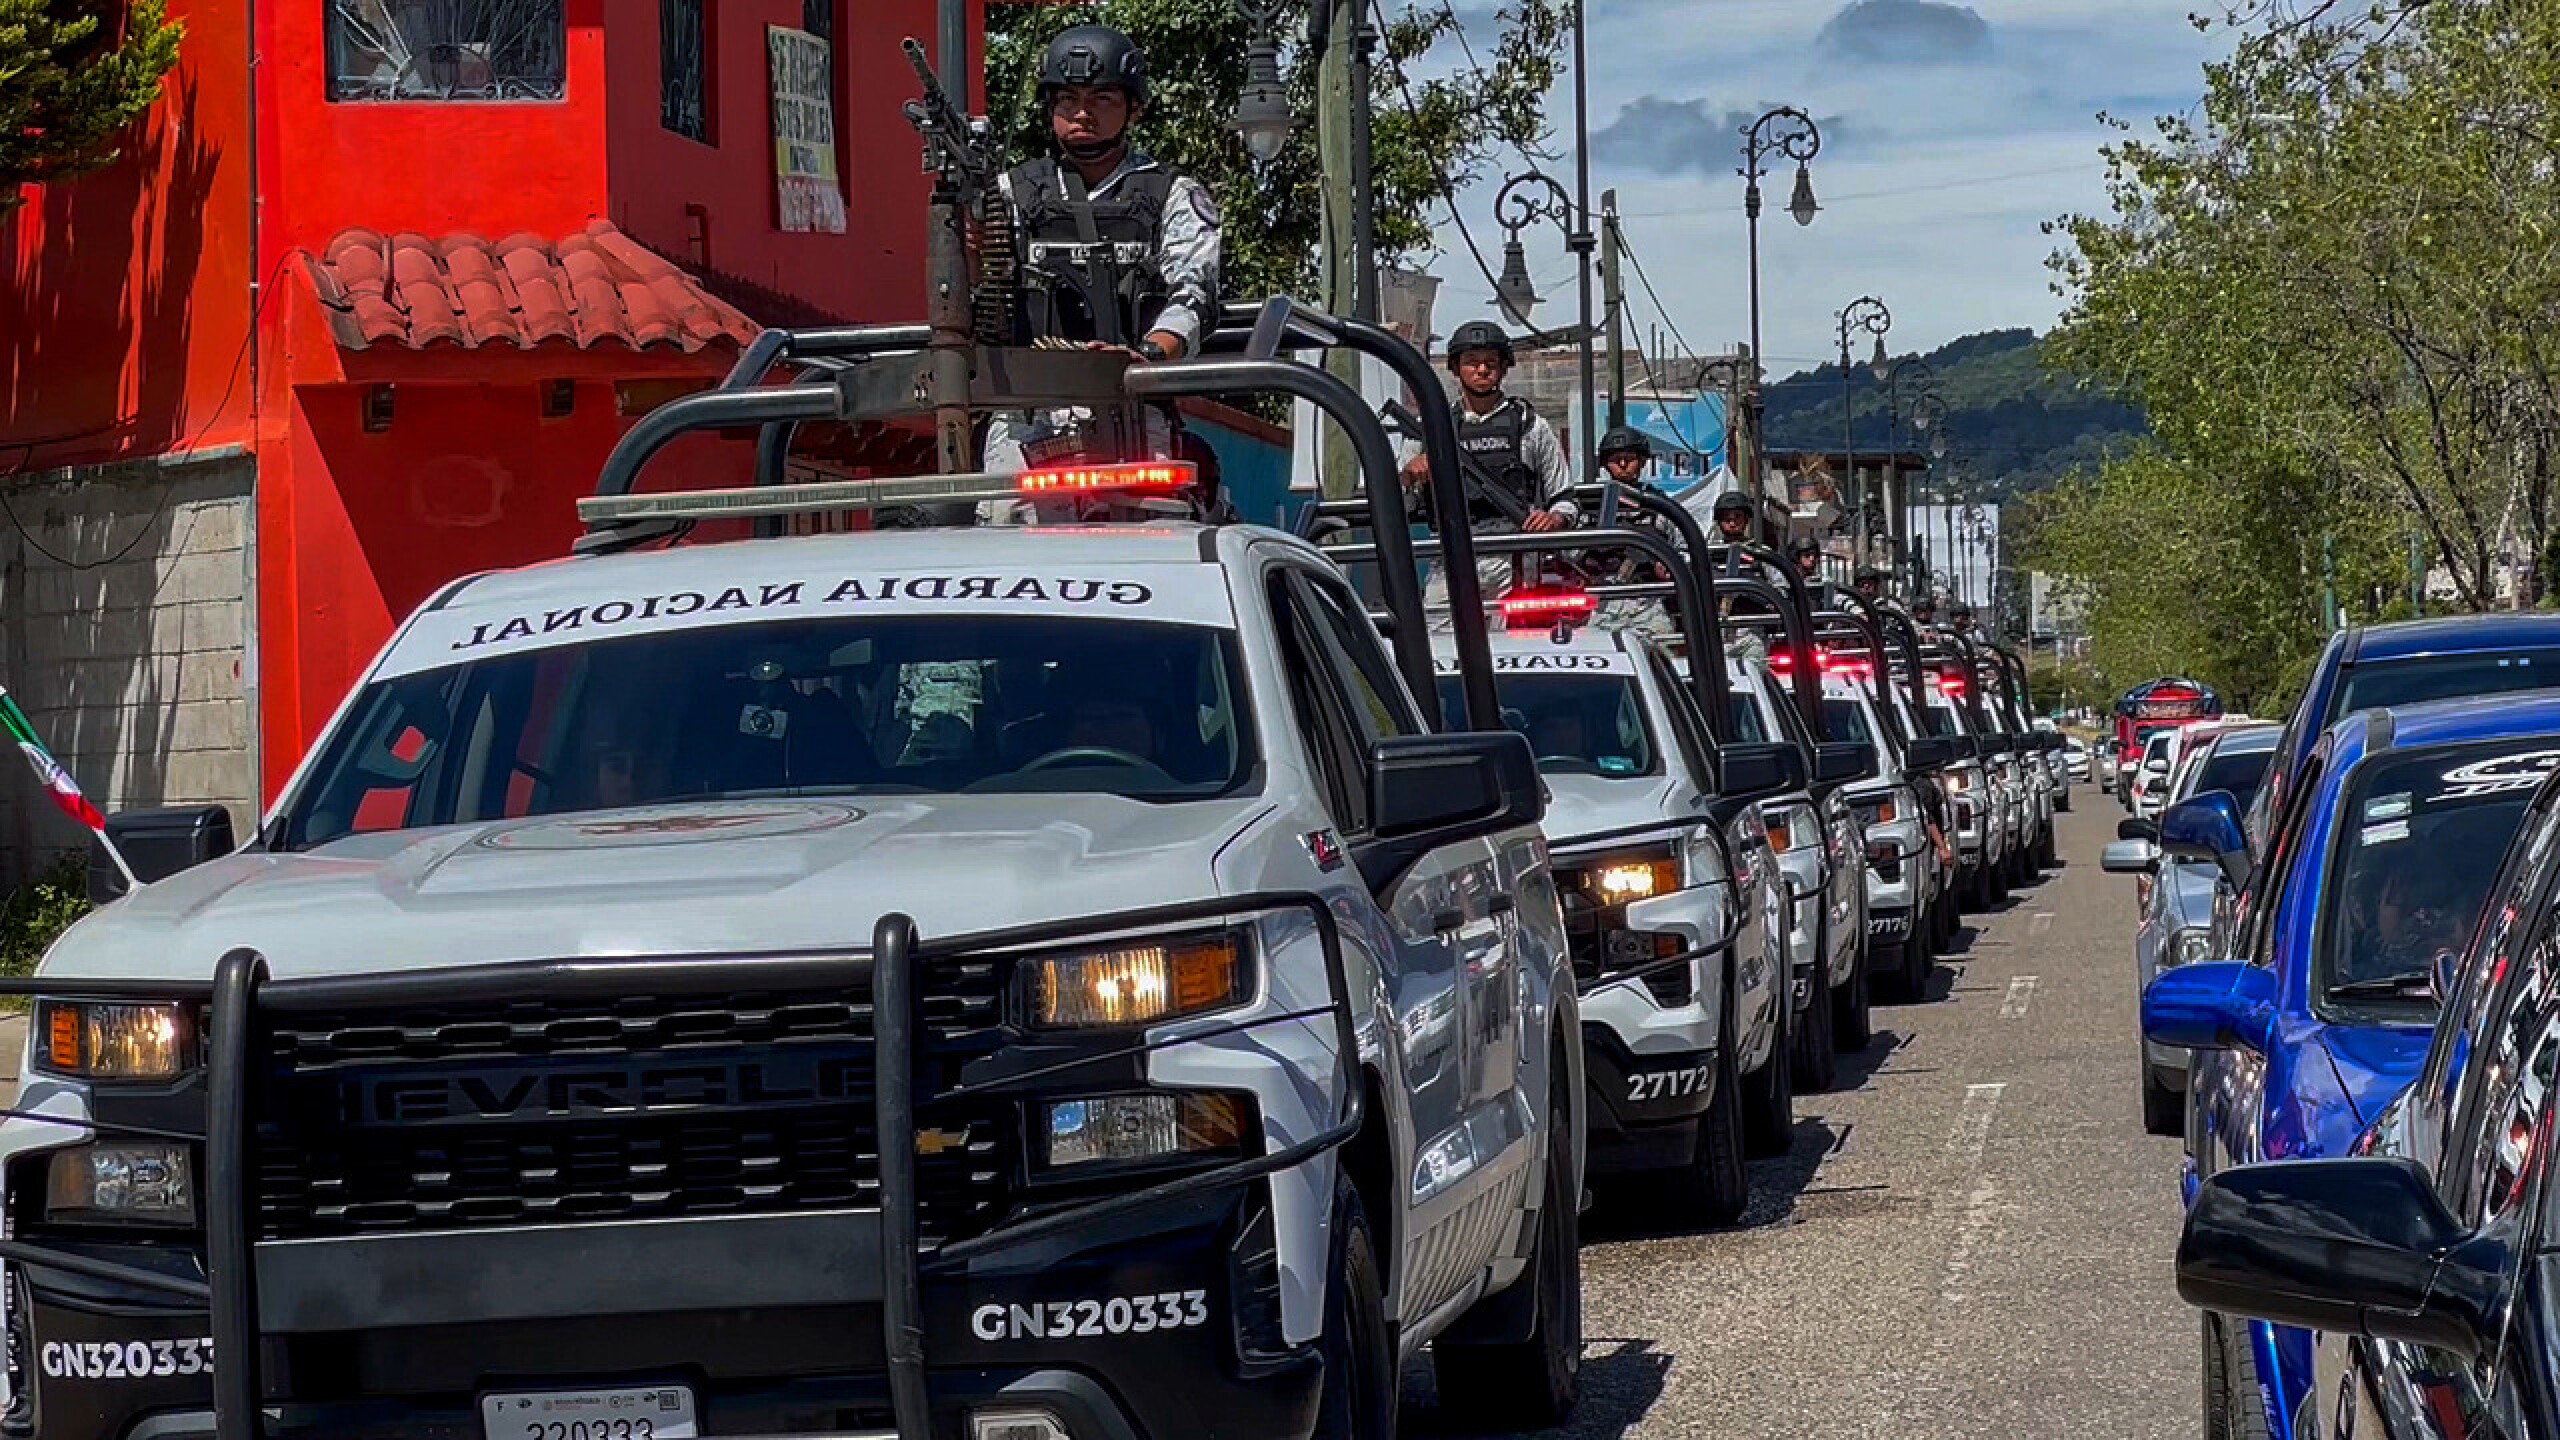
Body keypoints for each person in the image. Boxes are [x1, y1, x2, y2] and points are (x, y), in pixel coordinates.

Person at [982, 25, 1221, 485]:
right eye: (1068, 99)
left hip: (1132, 404)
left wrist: (1146, 356)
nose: (1082, 113)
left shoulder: (1172, 193)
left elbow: (1194, 296)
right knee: (1008, 539)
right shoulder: (1012, 193)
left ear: (1133, 109)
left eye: (1102, 99)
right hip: (1027, 414)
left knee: (1146, 538)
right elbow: (983, 294)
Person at [1401, 322, 1577, 619]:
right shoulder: (1428, 429)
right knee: (1441, 653)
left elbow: (1565, 498)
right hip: (1451, 558)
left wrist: (1554, 518)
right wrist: (1411, 474)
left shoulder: (1531, 427)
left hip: (1515, 561)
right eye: (1472, 362)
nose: (1482, 370)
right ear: (1456, 369)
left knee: (1514, 655)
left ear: (1504, 369)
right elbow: (1396, 499)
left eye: (1490, 363)